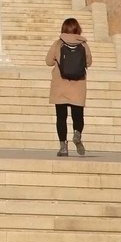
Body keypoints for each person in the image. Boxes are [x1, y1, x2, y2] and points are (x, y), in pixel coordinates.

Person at [46, 18, 92, 156]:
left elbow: (48, 61)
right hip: (78, 84)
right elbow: (88, 62)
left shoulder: (58, 43)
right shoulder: (83, 45)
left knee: (61, 117)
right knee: (78, 115)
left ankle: (63, 147)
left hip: (60, 85)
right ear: (78, 29)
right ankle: (77, 134)